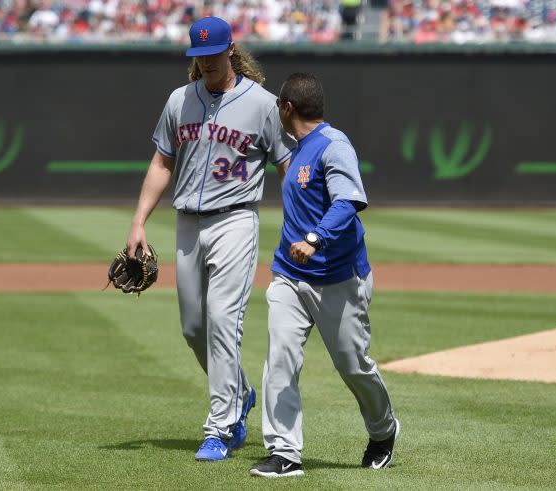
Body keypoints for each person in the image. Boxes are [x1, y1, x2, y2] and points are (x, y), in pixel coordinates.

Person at [125, 16, 293, 461]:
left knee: (222, 322)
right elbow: (162, 162)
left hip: (235, 221)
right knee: (193, 327)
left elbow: (286, 166)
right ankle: (239, 390)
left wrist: (300, 223)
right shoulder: (180, 100)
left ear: (230, 50)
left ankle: (220, 427)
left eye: (213, 54)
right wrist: (139, 222)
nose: (206, 62)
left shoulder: (262, 104)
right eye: (198, 56)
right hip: (186, 225)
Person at [249, 73, 399, 478]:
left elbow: (349, 199)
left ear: (287, 108)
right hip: (289, 276)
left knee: (353, 365)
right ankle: (284, 453)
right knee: (280, 358)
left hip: (338, 277)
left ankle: (384, 430)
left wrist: (314, 237)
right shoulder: (297, 148)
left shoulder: (334, 146)